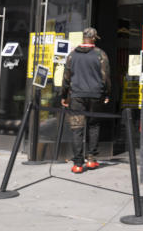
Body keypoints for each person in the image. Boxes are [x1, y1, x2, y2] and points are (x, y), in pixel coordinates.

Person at [60, 27, 110, 174]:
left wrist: (64, 96)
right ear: (93, 38)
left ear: (84, 38)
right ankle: (92, 159)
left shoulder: (72, 55)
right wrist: (106, 94)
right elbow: (105, 77)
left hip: (77, 96)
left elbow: (66, 77)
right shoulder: (100, 54)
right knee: (93, 126)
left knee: (77, 128)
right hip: (96, 95)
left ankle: (77, 164)